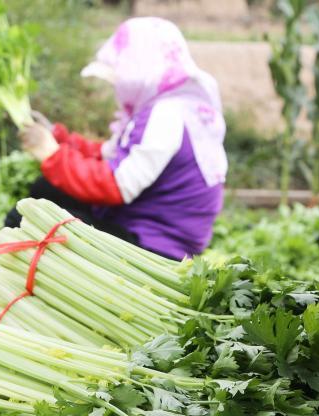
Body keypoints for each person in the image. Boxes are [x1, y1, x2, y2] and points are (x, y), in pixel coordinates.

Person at [12, 17, 227, 260]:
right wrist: (57, 138)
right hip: (157, 229)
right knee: (46, 188)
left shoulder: (165, 116)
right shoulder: (180, 108)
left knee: (24, 218)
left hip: (154, 244)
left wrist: (51, 154)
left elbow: (115, 185)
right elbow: (108, 153)